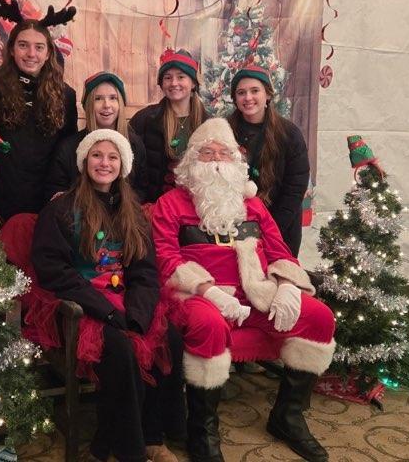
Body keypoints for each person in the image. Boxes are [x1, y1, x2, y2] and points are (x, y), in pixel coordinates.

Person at [150, 118, 336, 462]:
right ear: (191, 162)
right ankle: (202, 430)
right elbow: (165, 257)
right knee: (208, 324)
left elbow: (280, 251)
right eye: (207, 153)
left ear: (236, 161)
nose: (216, 160)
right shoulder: (171, 203)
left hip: (255, 293)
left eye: (223, 153)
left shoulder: (254, 206)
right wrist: (208, 290)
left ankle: (288, 417)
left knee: (319, 318)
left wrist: (287, 286)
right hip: (197, 296)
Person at [31, 130, 178, 462]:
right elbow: (55, 271)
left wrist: (138, 315)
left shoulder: (133, 212)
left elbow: (144, 271)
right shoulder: (61, 209)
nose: (104, 163)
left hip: (125, 299)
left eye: (113, 157)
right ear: (84, 161)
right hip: (82, 305)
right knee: (121, 348)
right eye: (97, 155)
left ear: (122, 165)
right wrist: (107, 313)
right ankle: (130, 450)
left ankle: (150, 436)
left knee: (167, 338)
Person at [0, 0, 78, 221]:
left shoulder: (65, 95)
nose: (31, 54)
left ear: (48, 53)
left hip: (45, 198)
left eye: (39, 47)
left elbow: (67, 149)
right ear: (12, 49)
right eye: (23, 45)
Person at [228, 65, 310, 254]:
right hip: (234, 229)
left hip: (280, 228)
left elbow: (295, 189)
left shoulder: (289, 134)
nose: (248, 97)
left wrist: (270, 232)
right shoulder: (225, 131)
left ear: (268, 94)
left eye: (254, 91)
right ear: (235, 99)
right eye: (241, 93)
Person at [43, 71, 147, 200]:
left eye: (113, 98)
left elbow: (141, 190)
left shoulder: (134, 145)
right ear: (88, 105)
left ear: (120, 104)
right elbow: (55, 190)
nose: (106, 105)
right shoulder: (68, 147)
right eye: (98, 99)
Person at [129, 48, 210, 203]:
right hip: (155, 205)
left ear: (193, 83)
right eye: (168, 77)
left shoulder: (208, 123)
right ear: (161, 83)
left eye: (181, 77)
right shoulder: (144, 119)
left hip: (195, 206)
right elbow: (131, 168)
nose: (174, 83)